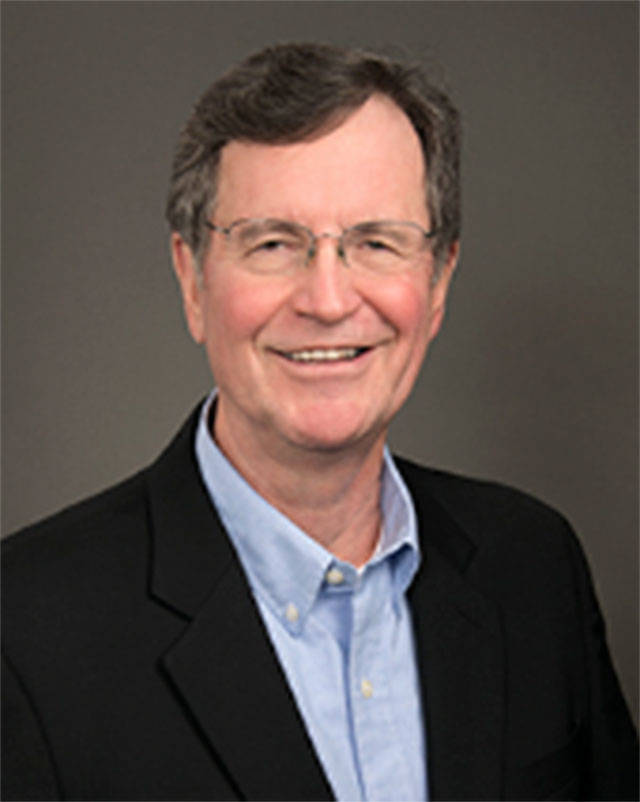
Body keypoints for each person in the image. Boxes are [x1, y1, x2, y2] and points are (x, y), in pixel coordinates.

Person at [2, 42, 637, 802]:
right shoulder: (25, 630)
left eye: (376, 242)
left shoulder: (531, 568)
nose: (329, 300)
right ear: (192, 278)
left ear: (438, 282)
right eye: (273, 243)